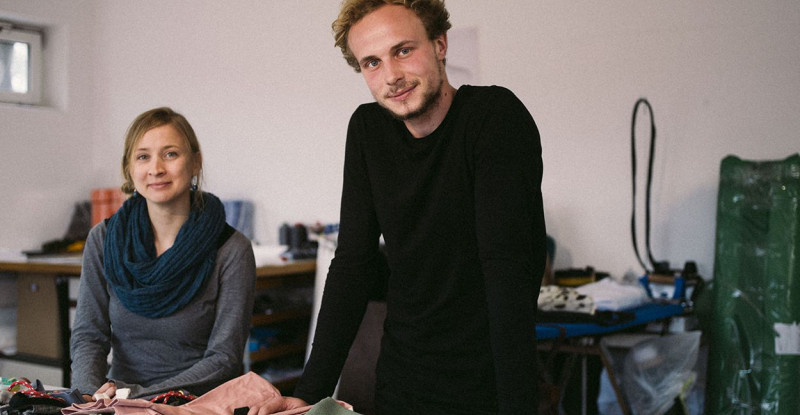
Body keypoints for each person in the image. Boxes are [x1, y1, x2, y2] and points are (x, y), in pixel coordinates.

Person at [260, 0, 546, 414]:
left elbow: (507, 273)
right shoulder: (367, 130)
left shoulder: (494, 118)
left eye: (403, 50)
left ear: (440, 44)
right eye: (372, 62)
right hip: (400, 381)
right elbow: (353, 264)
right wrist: (309, 392)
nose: (391, 76)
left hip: (486, 385)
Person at [70, 107, 256, 401]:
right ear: (129, 168)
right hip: (117, 402)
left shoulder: (232, 249)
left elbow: (224, 358)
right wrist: (88, 397)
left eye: (170, 154)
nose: (156, 168)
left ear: (195, 162)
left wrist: (137, 397)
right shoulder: (103, 239)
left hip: (197, 403)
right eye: (143, 156)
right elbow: (88, 337)